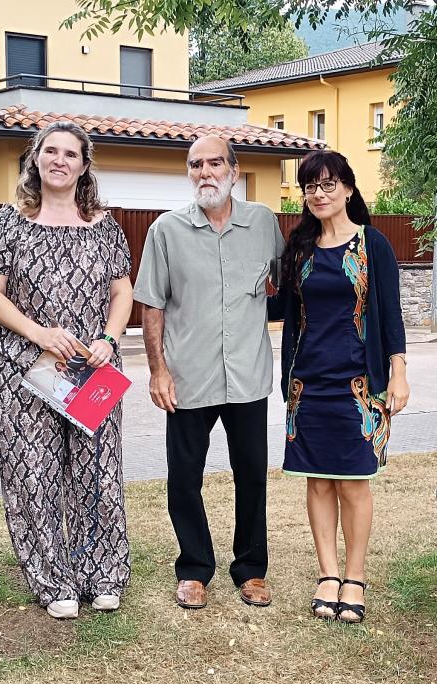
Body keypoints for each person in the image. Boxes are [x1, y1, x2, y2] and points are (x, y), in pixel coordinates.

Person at [0, 121, 134, 620]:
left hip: (92, 369)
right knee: (34, 475)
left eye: (70, 153)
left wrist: (109, 338)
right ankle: (54, 581)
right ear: (36, 159)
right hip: (26, 369)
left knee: (98, 472)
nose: (59, 160)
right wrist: (40, 333)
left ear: (85, 165)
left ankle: (102, 575)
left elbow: (121, 291)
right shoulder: (7, 221)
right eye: (51, 151)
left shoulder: (104, 225)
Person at [134, 134, 285, 610]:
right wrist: (158, 371)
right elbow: (151, 307)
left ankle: (251, 568)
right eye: (196, 164)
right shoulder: (166, 231)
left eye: (215, 163)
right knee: (184, 478)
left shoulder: (263, 223)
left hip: (247, 376)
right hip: (188, 377)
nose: (205, 172)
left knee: (252, 476)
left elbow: (281, 282)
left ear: (234, 171)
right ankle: (194, 568)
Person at [272, 150, 409, 624]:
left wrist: (399, 370)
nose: (319, 194)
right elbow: (281, 310)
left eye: (329, 184)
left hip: (359, 383)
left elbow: (390, 313)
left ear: (349, 189)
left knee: (353, 483)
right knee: (318, 480)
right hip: (306, 384)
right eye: (311, 186)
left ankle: (354, 577)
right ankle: (327, 574)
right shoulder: (300, 248)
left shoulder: (374, 244)